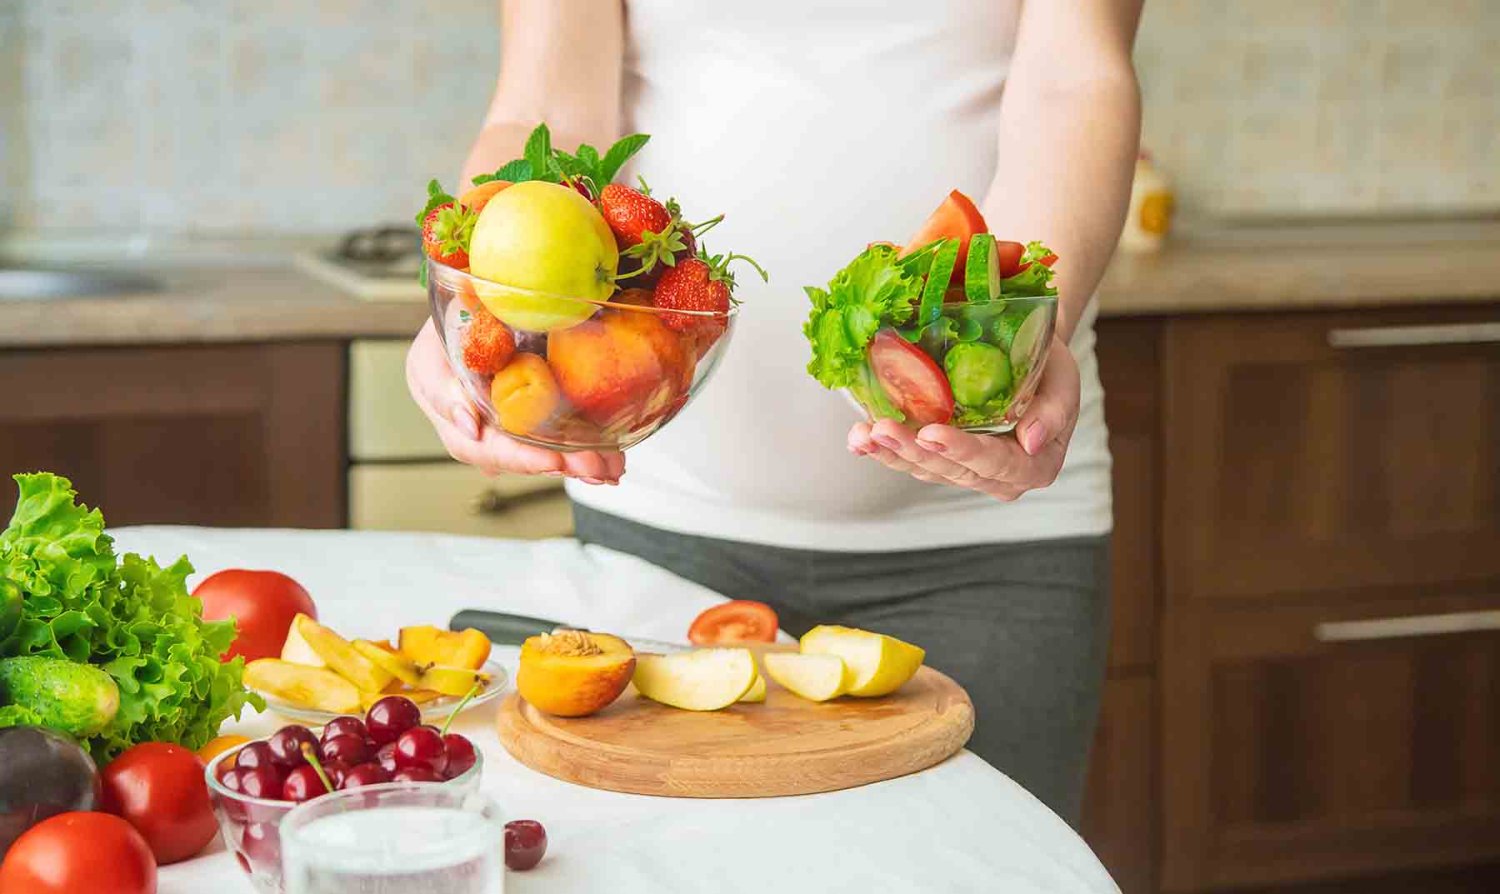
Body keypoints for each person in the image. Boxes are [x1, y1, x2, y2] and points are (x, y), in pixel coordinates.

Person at [407, 0, 1142, 824]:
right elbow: (543, 109)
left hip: (994, 557)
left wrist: (1032, 333)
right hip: (663, 538)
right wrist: (475, 300)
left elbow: (1073, 82)